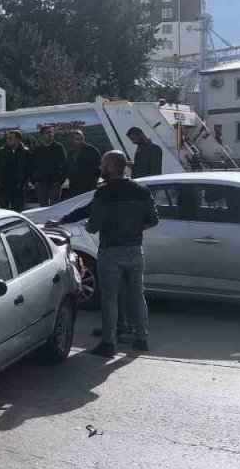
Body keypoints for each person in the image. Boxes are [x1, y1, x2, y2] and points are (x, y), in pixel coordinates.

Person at [48, 150, 158, 357]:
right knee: (137, 296)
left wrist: (71, 223)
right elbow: (153, 220)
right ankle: (141, 339)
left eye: (102, 164)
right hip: (135, 250)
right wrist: (133, 229)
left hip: (111, 251)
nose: (100, 168)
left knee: (109, 298)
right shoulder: (141, 190)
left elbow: (92, 225)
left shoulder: (104, 193)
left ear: (110, 166)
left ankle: (109, 343)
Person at [0, 130, 34, 212]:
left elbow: (30, 169)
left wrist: (26, 183)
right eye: (8, 138)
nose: (8, 140)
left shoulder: (25, 152)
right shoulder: (2, 151)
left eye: (11, 138)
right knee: (3, 211)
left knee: (18, 211)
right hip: (4, 187)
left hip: (19, 188)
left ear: (18, 139)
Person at [32, 125, 67, 207]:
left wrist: (60, 181)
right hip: (40, 184)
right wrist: (34, 182)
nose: (50, 134)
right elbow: (31, 166)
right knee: (43, 208)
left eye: (51, 132)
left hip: (55, 183)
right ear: (42, 135)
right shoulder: (37, 149)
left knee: (55, 207)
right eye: (47, 133)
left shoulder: (58, 147)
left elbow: (65, 164)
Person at [66, 130, 102, 197]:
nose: (80, 141)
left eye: (82, 138)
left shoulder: (91, 150)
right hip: (74, 187)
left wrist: (95, 183)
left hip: (89, 186)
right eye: (77, 139)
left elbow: (100, 167)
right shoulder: (69, 153)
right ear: (72, 140)